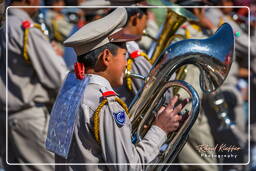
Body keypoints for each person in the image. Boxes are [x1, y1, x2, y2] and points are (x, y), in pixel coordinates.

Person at [46, 8, 188, 171]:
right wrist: (160, 129)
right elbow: (128, 167)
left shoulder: (70, 89)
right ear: (106, 57)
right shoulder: (105, 103)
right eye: (124, 56)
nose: (126, 64)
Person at [0, 0, 67, 170]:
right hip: (27, 116)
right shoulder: (26, 28)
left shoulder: (4, 27)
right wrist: (57, 56)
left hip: (6, 117)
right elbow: (56, 77)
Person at [115, 8, 152, 105]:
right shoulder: (133, 54)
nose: (146, 25)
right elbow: (153, 95)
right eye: (145, 20)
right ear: (135, 19)